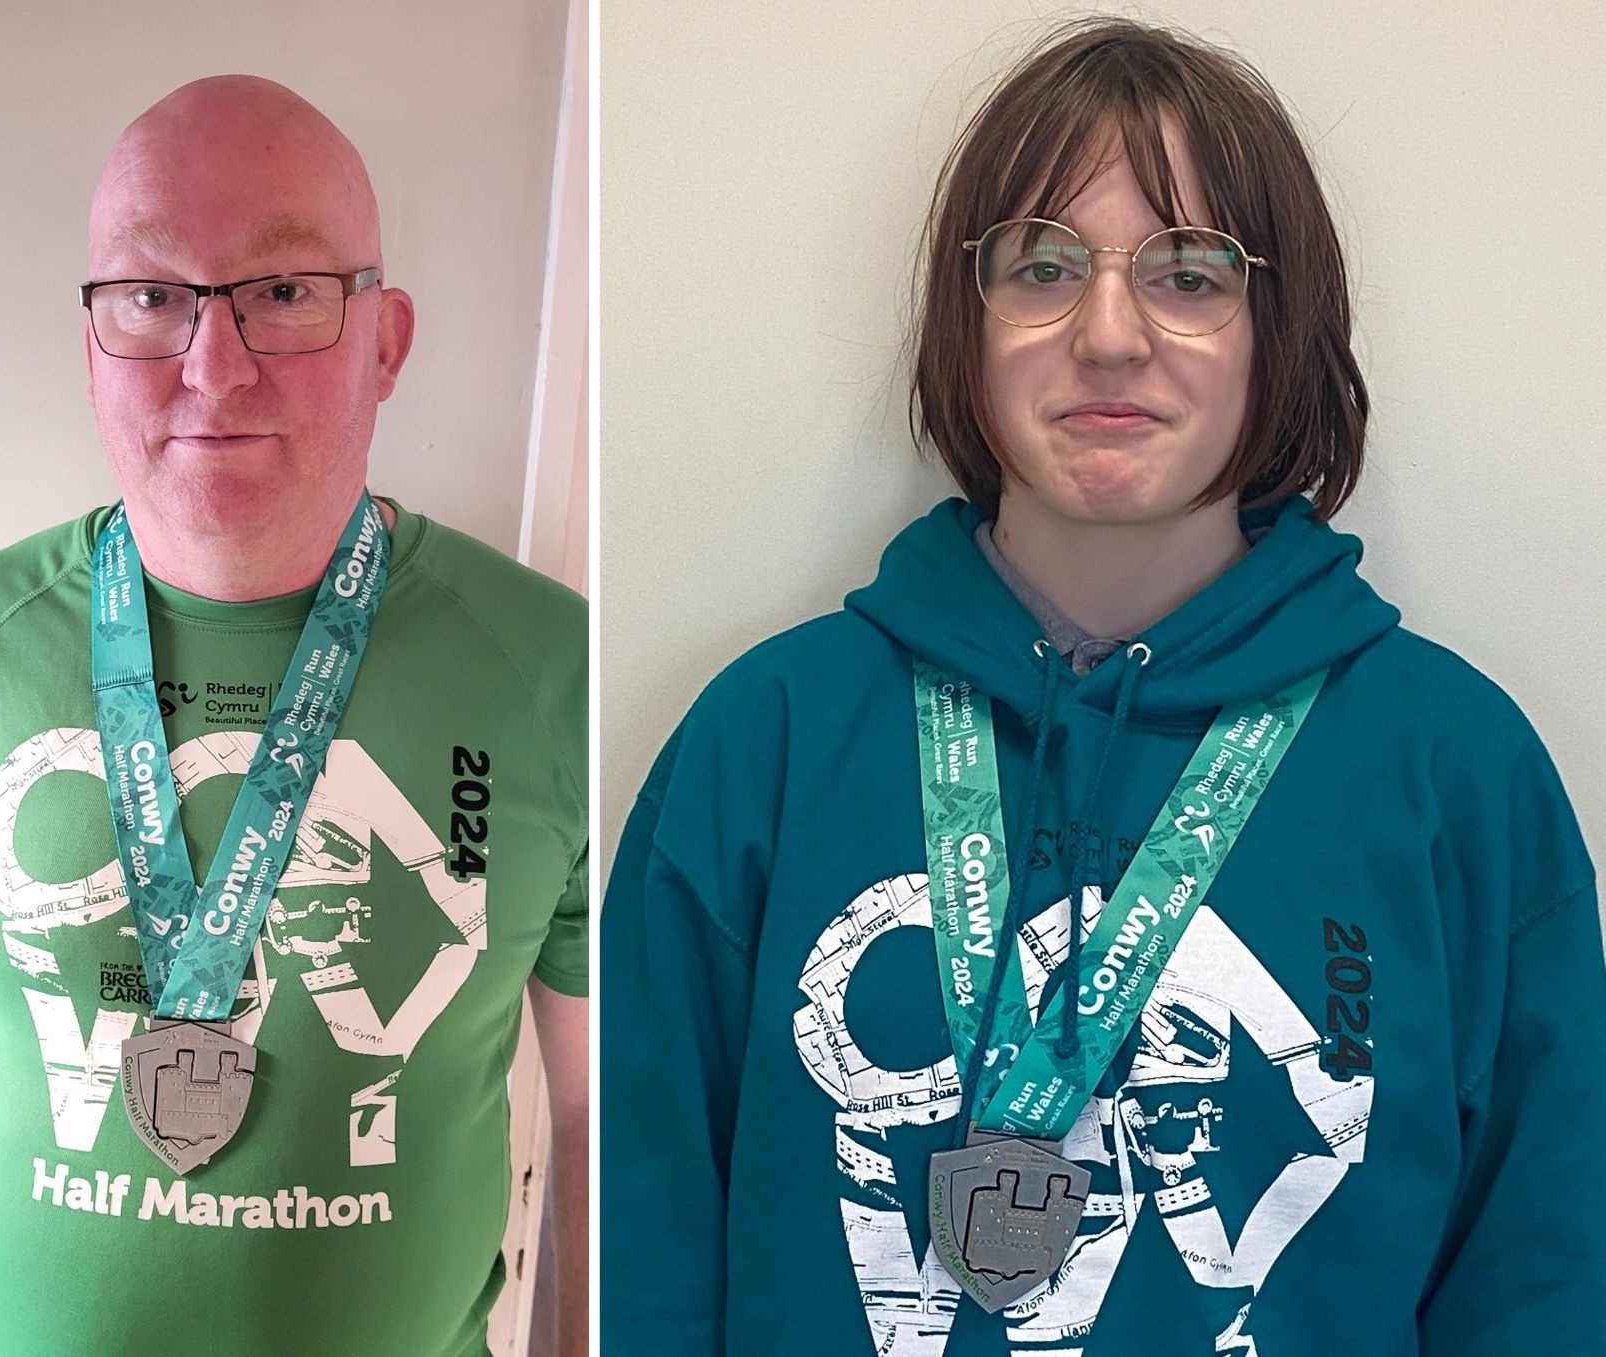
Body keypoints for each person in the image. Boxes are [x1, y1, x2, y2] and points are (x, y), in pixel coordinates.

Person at [601, 17, 1603, 1357]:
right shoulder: (763, 741)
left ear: (1275, 324)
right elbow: (643, 1259)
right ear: (968, 319)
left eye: (1188, 274)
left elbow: (1538, 1282)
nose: (1108, 332)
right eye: (1041, 266)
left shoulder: (1451, 770)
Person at [0, 75, 588, 1357]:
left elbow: (592, 1116)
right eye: (154, 298)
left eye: (281, 293)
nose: (213, 367)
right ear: (92, 343)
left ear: (385, 339)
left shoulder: (555, 668)